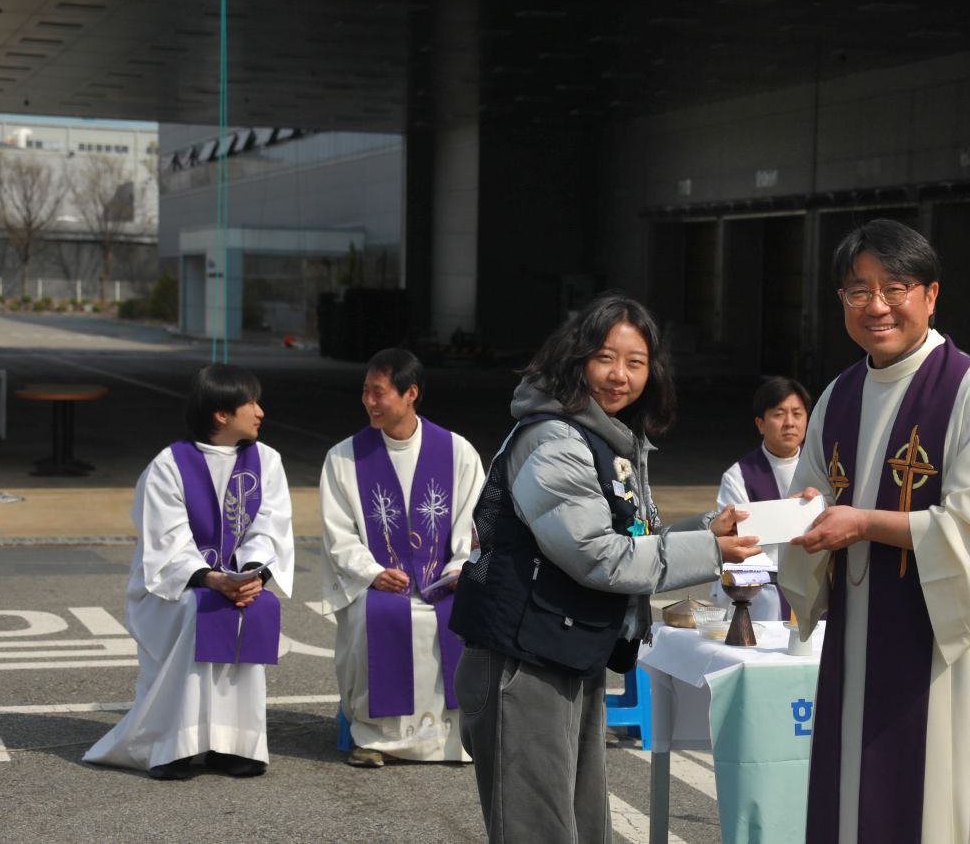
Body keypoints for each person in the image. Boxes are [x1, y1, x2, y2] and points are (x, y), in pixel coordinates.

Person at [449, 293, 760, 842]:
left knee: (583, 825)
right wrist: (712, 554)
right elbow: (598, 555)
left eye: (635, 362)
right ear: (576, 360)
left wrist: (709, 530)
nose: (620, 375)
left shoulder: (609, 437)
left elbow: (634, 538)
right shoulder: (553, 439)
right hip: (522, 662)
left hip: (566, 651)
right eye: (605, 358)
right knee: (538, 830)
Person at [778, 219, 970, 843]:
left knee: (940, 802)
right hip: (860, 639)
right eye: (857, 290)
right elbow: (814, 491)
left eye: (894, 287)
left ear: (930, 296)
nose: (876, 306)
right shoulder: (839, 395)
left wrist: (865, 522)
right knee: (855, 800)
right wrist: (804, 516)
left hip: (946, 652)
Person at [84, 364, 295, 780]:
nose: (260, 412)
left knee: (255, 608)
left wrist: (251, 575)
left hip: (236, 582)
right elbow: (166, 541)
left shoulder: (266, 460)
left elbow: (270, 525)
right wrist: (212, 579)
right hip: (174, 586)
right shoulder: (169, 466)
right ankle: (173, 744)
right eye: (249, 403)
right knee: (193, 609)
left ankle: (235, 744)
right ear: (221, 414)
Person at [319, 348, 485, 767]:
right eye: (365, 392)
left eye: (379, 393)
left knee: (454, 617)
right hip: (378, 583)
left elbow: (477, 520)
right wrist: (373, 572)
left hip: (440, 581)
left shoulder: (456, 452)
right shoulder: (344, 458)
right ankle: (374, 738)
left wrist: (457, 568)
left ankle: (455, 736)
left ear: (410, 393)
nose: (369, 402)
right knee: (382, 617)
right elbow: (338, 534)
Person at [710, 376, 812, 620]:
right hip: (762, 593)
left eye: (797, 414)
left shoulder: (822, 467)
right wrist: (794, 514)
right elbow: (736, 538)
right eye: (779, 414)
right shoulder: (739, 476)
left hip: (812, 584)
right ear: (760, 424)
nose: (789, 423)